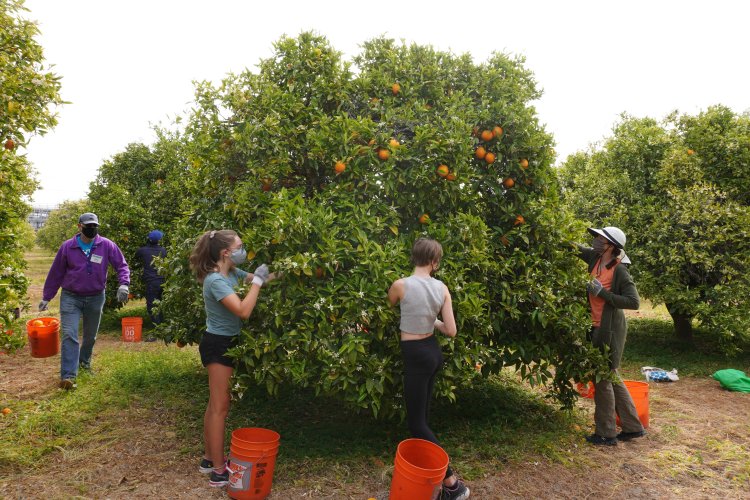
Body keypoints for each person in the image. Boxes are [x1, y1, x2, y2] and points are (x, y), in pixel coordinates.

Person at [188, 229, 275, 488]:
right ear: (226, 252)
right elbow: (243, 310)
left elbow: (260, 279)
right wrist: (258, 282)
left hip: (226, 343)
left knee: (215, 404)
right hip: (218, 345)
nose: (243, 250)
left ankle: (207, 459)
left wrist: (293, 271)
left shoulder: (231, 273)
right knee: (220, 408)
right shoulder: (215, 280)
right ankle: (218, 471)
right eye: (239, 246)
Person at [387, 238, 470, 500]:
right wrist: (430, 320)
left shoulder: (400, 285)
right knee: (423, 417)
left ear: (414, 257)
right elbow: (451, 331)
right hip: (433, 353)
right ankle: (432, 474)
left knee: (417, 423)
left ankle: (453, 484)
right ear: (435, 262)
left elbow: (391, 304)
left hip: (415, 356)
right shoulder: (442, 288)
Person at [39, 212, 130, 390]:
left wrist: (124, 284)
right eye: (88, 226)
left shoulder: (107, 245)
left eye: (94, 226)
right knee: (70, 334)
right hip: (71, 297)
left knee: (90, 336)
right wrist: (46, 296)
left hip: (96, 297)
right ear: (79, 226)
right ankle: (68, 376)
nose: (92, 229)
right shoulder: (68, 247)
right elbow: (56, 273)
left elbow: (121, 265)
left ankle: (84, 363)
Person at [577, 226, 646, 446]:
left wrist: (603, 293)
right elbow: (574, 249)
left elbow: (633, 301)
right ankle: (633, 427)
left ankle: (606, 433)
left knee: (603, 378)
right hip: (596, 326)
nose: (596, 240)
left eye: (600, 238)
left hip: (610, 331)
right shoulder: (595, 258)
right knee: (612, 376)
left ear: (611, 245)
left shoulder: (620, 270)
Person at [135, 229, 167, 340]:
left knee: (152, 307)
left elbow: (136, 256)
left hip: (151, 282)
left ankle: (158, 332)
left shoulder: (143, 250)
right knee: (160, 305)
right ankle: (164, 330)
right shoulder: (163, 250)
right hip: (163, 282)